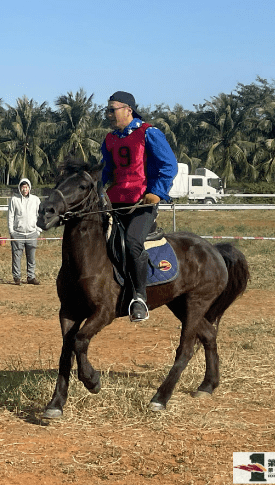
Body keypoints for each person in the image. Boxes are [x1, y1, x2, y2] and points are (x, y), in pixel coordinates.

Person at [100, 91, 178, 322]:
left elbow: (169, 165)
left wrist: (157, 193)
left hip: (142, 203)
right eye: (108, 110)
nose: (109, 114)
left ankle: (139, 298)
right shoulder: (110, 139)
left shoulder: (149, 133)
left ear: (128, 110)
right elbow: (106, 171)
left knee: (133, 242)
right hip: (115, 201)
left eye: (112, 110)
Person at [8, 178, 42, 285]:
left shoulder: (35, 200)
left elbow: (39, 215)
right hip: (18, 233)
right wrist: (12, 232)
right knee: (17, 256)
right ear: (20, 188)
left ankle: (31, 277)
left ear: (29, 188)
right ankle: (17, 277)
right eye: (23, 187)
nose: (24, 189)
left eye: (26, 187)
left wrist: (38, 231)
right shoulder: (14, 199)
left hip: (32, 233)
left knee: (31, 257)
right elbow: (10, 215)